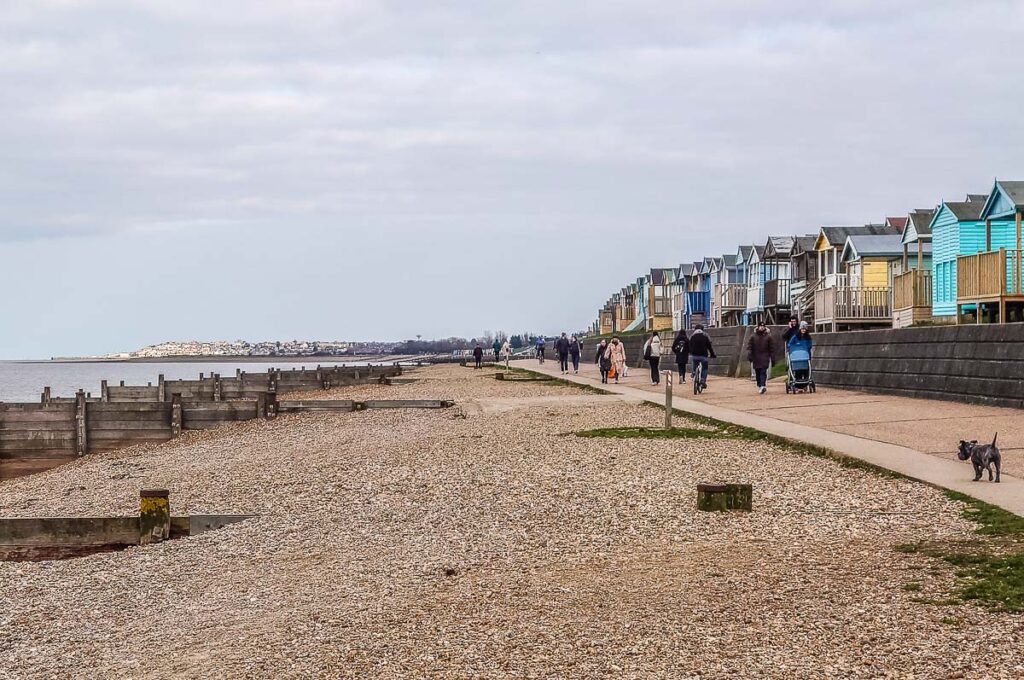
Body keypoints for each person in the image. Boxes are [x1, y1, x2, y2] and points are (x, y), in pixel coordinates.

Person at [747, 321, 775, 394]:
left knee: (763, 371)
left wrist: (772, 357)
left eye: (763, 326)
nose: (762, 327)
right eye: (760, 326)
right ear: (758, 327)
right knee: (757, 372)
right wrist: (749, 354)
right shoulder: (753, 336)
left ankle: (763, 385)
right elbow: (749, 346)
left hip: (765, 356)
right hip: (756, 357)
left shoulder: (768, 337)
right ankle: (759, 385)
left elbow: (771, 348)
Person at [687, 324, 716, 389]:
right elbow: (709, 347)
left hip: (695, 355)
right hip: (703, 355)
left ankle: (694, 372)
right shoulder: (705, 337)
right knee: (705, 368)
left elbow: (689, 346)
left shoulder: (692, 337)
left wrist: (691, 352)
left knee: (694, 363)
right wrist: (712, 354)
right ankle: (703, 379)